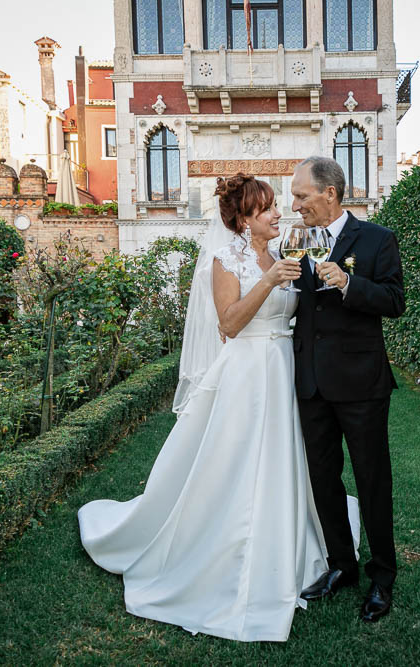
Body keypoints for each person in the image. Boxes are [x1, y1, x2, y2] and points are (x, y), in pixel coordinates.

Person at [77, 174, 328, 642]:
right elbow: (230, 323)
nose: (278, 214)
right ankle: (220, 549)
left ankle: (283, 547)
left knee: (279, 461)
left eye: (276, 206)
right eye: (268, 209)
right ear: (244, 218)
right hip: (247, 373)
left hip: (281, 371)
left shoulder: (280, 254)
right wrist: (270, 280)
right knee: (233, 463)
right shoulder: (225, 260)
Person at [289, 157, 405, 622]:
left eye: (301, 196)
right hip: (311, 383)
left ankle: (382, 577)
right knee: (323, 479)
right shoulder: (297, 241)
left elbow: (395, 301)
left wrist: (351, 283)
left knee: (372, 480)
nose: (295, 204)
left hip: (361, 384)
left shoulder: (378, 239)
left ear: (330, 194)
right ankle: (342, 565)